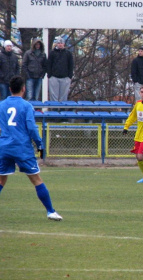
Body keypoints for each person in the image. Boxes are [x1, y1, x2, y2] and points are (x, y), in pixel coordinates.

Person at [0, 76, 63, 221]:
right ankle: (50, 211)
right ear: (24, 89)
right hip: (22, 148)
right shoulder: (27, 106)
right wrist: (40, 145)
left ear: (10, 89)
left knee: (1, 180)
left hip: (4, 147)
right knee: (36, 179)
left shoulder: (1, 105)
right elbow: (32, 128)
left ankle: (51, 211)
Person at [47, 37, 73, 102]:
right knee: (53, 96)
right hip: (54, 77)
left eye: (61, 43)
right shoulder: (52, 53)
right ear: (56, 44)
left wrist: (69, 76)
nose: (60, 44)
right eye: (58, 43)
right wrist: (49, 75)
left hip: (65, 78)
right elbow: (49, 64)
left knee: (63, 97)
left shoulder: (68, 53)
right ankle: (54, 110)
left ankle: (62, 110)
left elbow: (71, 65)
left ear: (64, 44)